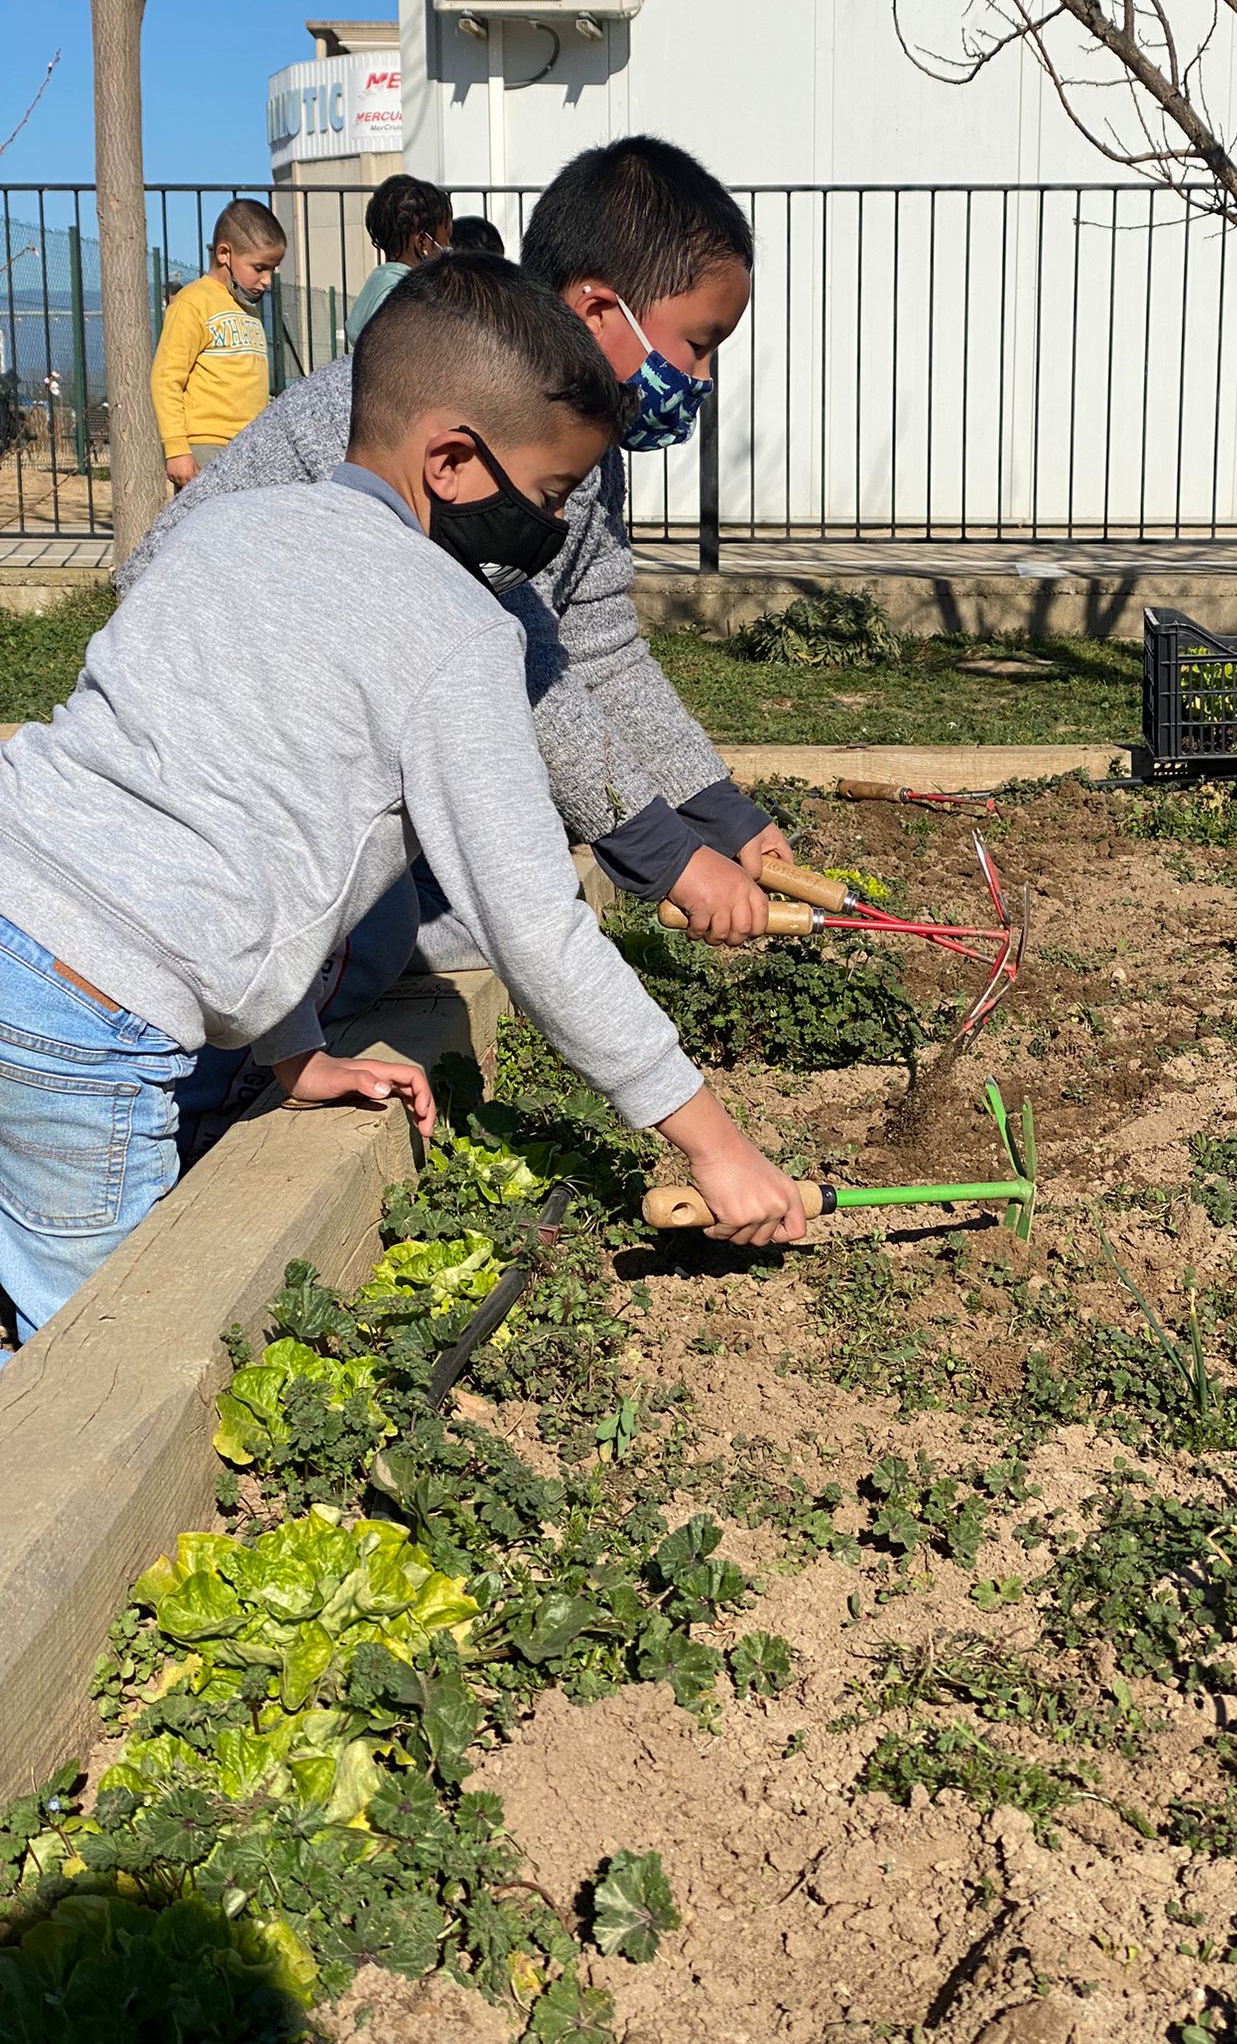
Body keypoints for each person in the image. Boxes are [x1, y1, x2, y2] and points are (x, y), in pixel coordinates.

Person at [0, 256, 804, 1348]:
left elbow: (237, 831)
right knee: (100, 1373)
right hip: (89, 1027)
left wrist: (295, 1055)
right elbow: (536, 930)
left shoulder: (223, 528)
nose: (554, 529)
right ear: (453, 462)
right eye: (551, 496)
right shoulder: (456, 629)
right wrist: (716, 1144)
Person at [120, 140, 787, 1148]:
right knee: (383, 925)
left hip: (317, 772)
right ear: (599, 312)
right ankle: (195, 1099)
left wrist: (720, 814)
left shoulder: (572, 452)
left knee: (455, 920)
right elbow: (524, 666)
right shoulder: (438, 420)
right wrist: (664, 856)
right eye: (697, 344)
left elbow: (598, 648)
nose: (698, 377)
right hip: (230, 772)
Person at [149, 199, 287, 489]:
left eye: (272, 270)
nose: (267, 280)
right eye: (259, 268)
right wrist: (177, 450)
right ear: (224, 254)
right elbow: (166, 379)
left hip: (249, 445)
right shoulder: (192, 303)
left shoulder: (247, 308)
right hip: (205, 448)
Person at [345, 175, 452, 344]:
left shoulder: (378, 281)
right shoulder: (402, 299)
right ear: (423, 243)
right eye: (447, 239)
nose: (450, 248)